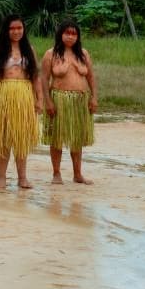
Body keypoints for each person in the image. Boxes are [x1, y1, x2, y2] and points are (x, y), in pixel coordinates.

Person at [0, 14, 42, 191]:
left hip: (24, 95)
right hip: (3, 94)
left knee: (21, 137)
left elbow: (35, 76)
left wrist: (39, 99)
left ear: (24, 29)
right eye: (12, 28)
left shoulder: (29, 49)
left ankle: (22, 178)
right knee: (3, 137)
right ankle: (1, 178)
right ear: (6, 30)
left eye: (19, 28)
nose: (16, 32)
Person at [41, 20, 98, 185]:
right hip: (59, 99)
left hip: (80, 100)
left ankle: (77, 174)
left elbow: (91, 77)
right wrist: (48, 101)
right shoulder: (51, 54)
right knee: (57, 137)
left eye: (74, 34)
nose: (70, 37)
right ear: (60, 34)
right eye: (67, 33)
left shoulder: (83, 54)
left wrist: (94, 97)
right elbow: (43, 79)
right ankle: (56, 173)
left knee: (77, 138)